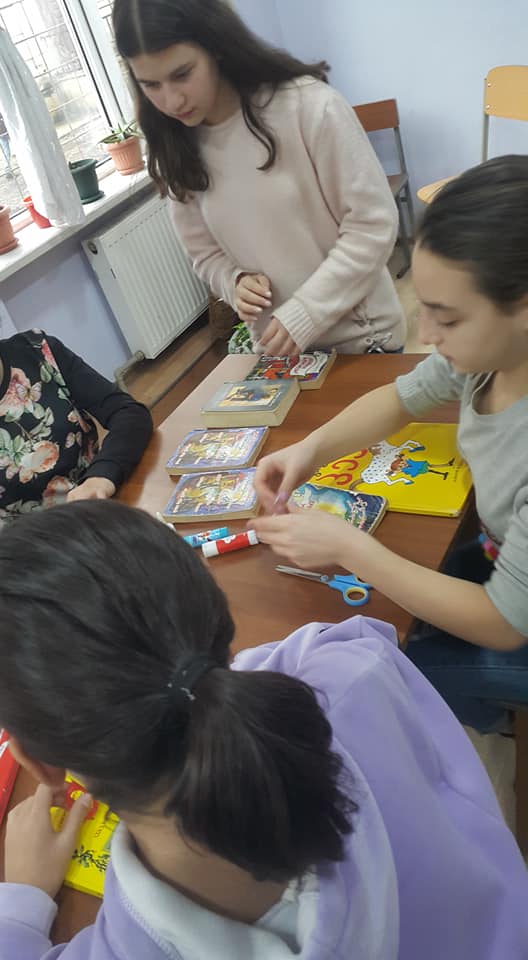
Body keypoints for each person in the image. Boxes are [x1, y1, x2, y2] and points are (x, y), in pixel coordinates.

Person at [0, 501, 527, 959]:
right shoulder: (353, 675)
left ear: (38, 763)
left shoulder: (125, 947)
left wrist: (22, 902)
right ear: (217, 617)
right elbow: (316, 647)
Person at [252, 154, 528, 734]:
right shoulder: (491, 355)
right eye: (423, 307)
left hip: (514, 621)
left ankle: (492, 719)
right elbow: (401, 398)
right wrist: (310, 449)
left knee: (400, 670)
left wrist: (351, 548)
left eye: (446, 319)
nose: (424, 333)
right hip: (500, 557)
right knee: (406, 597)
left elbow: (504, 623)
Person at [112, 0, 406, 357]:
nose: (172, 101)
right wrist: (234, 282)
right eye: (150, 84)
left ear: (215, 46)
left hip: (363, 343)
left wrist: (306, 313)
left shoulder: (309, 106)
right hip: (278, 357)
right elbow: (204, 254)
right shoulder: (176, 144)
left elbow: (372, 225)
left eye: (182, 74)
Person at [0, 328, 152, 518]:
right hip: (31, 534)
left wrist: (100, 477)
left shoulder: (37, 350)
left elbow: (128, 413)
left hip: (102, 501)